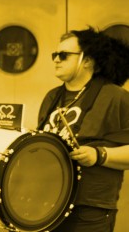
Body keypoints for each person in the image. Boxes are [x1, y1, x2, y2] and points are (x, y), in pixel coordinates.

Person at [38, 28, 129, 232]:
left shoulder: (116, 97)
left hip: (90, 209)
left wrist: (100, 155)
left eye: (63, 55)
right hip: (48, 204)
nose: (56, 60)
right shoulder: (51, 97)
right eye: (55, 55)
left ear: (87, 60)